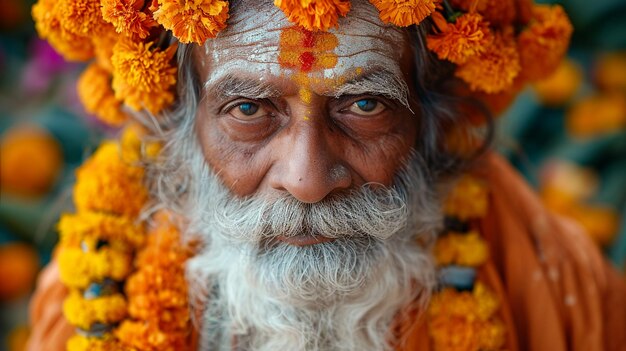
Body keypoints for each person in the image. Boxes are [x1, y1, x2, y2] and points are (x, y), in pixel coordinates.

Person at [26, 0, 626, 350]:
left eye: (364, 105)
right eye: (249, 110)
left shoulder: (556, 283)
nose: (309, 179)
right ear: (180, 129)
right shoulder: (90, 300)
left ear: (432, 123)